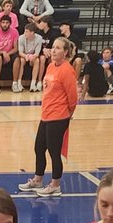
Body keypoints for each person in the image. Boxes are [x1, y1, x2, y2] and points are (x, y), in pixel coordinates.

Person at [18, 36, 77, 196]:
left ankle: (55, 185)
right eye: (53, 47)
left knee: (54, 151)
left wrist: (69, 113)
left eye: (58, 48)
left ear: (65, 52)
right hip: (46, 115)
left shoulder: (67, 70)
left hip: (58, 117)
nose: (54, 50)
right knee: (39, 147)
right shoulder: (51, 66)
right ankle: (38, 180)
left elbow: (72, 97)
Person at [0, 13, 19, 92]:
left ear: (10, 24)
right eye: (3, 22)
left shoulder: (15, 32)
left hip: (10, 53)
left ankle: (15, 84)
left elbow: (16, 48)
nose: (5, 24)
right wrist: (3, 53)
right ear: (0, 23)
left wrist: (7, 54)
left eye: (6, 23)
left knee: (17, 59)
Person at [15, 22, 46, 92]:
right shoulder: (21, 38)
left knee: (37, 61)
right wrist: (26, 56)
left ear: (32, 33)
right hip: (24, 55)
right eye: (24, 31)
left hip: (33, 56)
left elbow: (37, 52)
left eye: (26, 32)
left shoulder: (39, 38)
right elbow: (20, 52)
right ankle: (19, 82)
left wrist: (33, 56)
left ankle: (33, 83)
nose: (24, 33)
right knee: (22, 61)